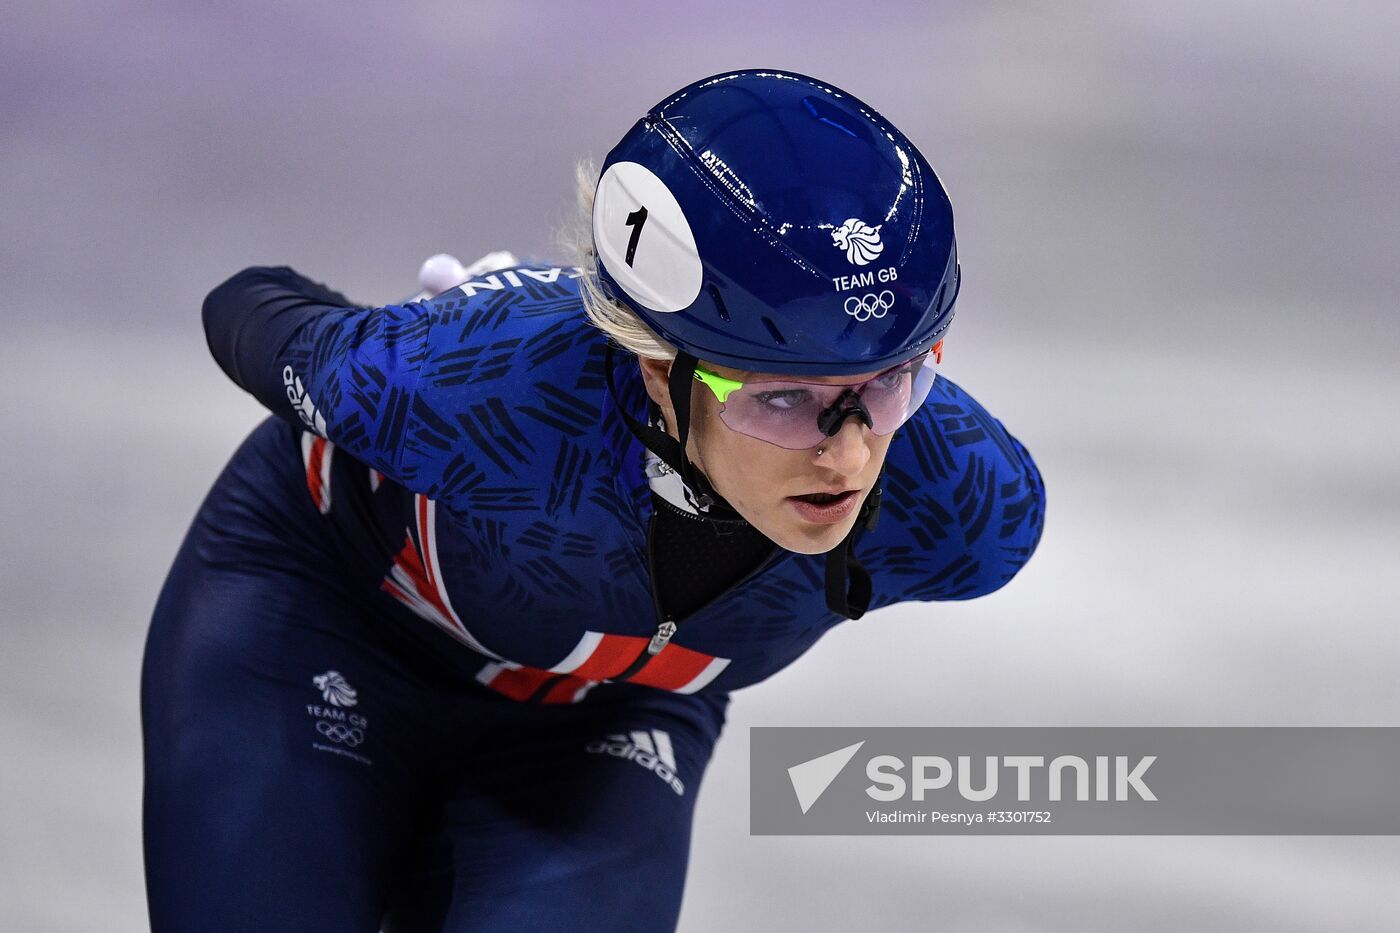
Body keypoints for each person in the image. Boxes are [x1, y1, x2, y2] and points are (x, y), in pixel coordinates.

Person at [142, 69, 1045, 932]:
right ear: (659, 370)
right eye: (784, 399)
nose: (850, 452)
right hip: (329, 621)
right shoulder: (483, 390)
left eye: (890, 386)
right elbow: (247, 303)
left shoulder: (964, 507)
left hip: (606, 718)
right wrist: (403, 355)